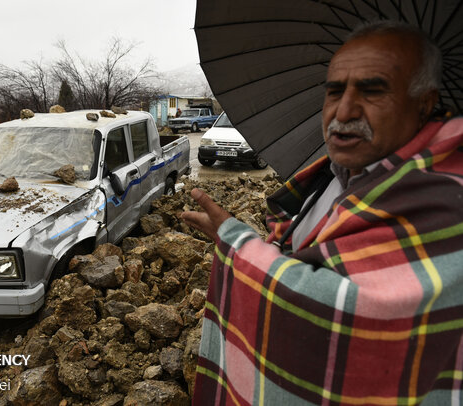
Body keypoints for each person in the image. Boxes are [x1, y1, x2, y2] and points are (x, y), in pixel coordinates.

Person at [181, 20, 463, 405]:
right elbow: (311, 258)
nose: (343, 110)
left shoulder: (448, 203)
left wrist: (239, 243)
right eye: (334, 91)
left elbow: (344, 312)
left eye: (373, 90)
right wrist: (248, 243)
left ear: (424, 104)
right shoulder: (328, 180)